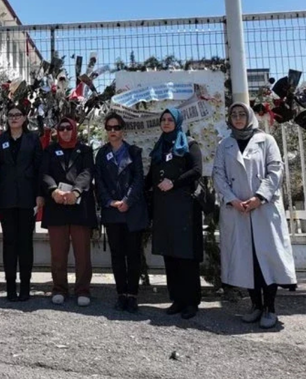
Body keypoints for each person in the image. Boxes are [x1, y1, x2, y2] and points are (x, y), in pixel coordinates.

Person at [213, 102, 297, 329]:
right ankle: (255, 305)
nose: (238, 118)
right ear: (229, 119)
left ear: (249, 117)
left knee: (265, 261)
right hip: (237, 209)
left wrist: (259, 198)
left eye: (242, 114)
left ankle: (270, 307)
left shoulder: (266, 141)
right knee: (246, 260)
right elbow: (218, 174)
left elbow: (275, 170)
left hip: (263, 210)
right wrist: (233, 200)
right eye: (234, 114)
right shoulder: (225, 144)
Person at [147, 108, 203, 319]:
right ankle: (177, 299)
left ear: (178, 122)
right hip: (164, 209)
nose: (166, 122)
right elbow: (151, 175)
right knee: (169, 255)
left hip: (185, 208)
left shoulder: (189, 144)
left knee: (186, 256)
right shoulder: (160, 145)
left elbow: (197, 170)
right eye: (163, 119)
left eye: (170, 119)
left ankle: (191, 302)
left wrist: (174, 183)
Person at [39, 117, 97, 307]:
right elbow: (44, 173)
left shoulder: (85, 150)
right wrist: (53, 190)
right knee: (58, 253)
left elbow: (87, 172)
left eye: (68, 128)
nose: (65, 131)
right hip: (57, 205)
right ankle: (59, 289)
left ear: (74, 130)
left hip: (79, 206)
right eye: (61, 128)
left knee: (82, 253)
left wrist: (76, 191)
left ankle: (82, 289)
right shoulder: (49, 150)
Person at [94, 113, 148, 313]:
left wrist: (127, 201)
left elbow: (138, 180)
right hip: (112, 212)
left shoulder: (134, 152)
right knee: (117, 255)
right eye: (109, 128)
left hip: (132, 211)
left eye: (116, 127)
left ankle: (132, 295)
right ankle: (121, 294)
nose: (113, 131)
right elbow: (98, 181)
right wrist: (110, 201)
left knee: (133, 255)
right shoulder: (101, 154)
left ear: (122, 130)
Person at [0, 104, 43, 302]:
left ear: (24, 119)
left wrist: (40, 195)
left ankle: (25, 287)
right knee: (9, 243)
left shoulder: (33, 139)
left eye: (18, 115)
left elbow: (40, 169)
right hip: (6, 199)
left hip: (27, 198)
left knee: (25, 243)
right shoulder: (0, 140)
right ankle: (10, 286)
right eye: (10, 115)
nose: (14, 118)